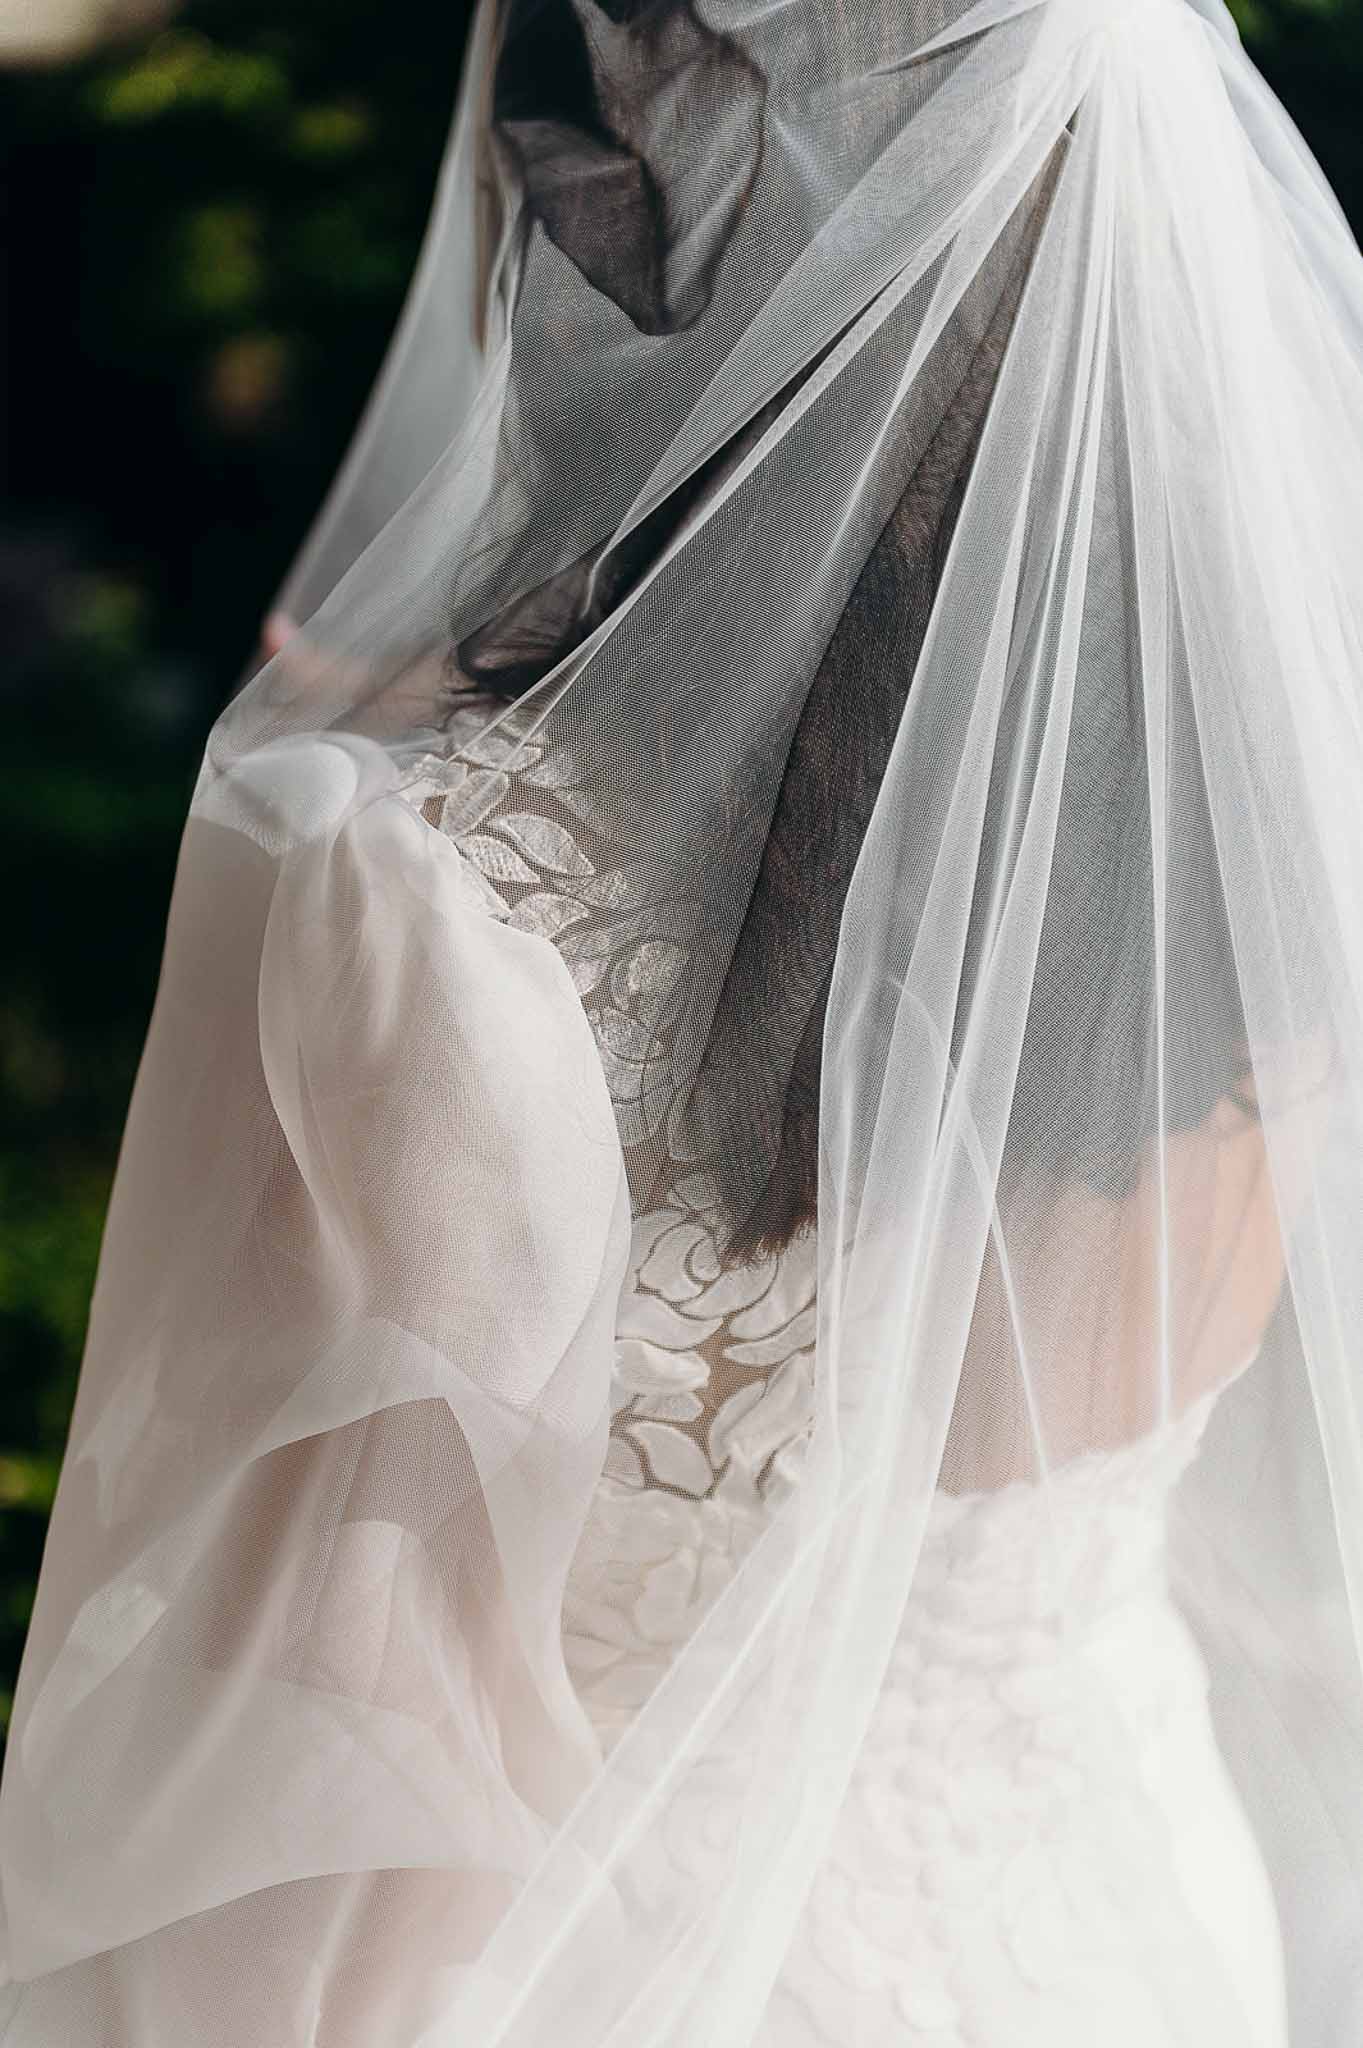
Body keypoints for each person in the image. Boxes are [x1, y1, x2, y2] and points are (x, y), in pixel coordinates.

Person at [2, 0, 1362, 2040]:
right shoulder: (1292, 777)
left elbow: (309, 1787)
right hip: (1124, 1934)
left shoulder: (438, 925)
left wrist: (414, 781)